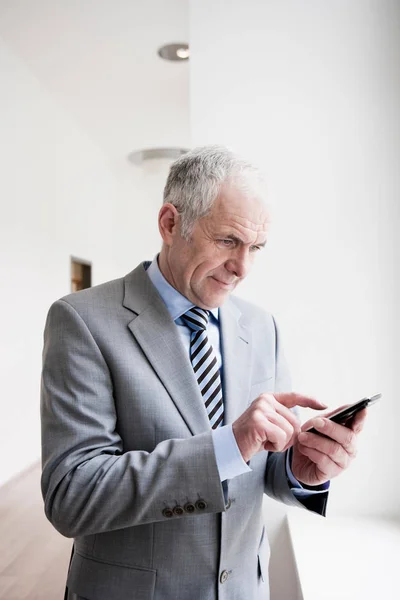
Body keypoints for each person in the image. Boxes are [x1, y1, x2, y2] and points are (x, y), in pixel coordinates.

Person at [40, 146, 366, 600]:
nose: (243, 268)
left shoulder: (262, 327)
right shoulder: (82, 321)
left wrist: (298, 469)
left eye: (256, 248)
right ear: (170, 224)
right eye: (229, 241)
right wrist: (227, 445)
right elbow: (71, 495)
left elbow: (260, 462)